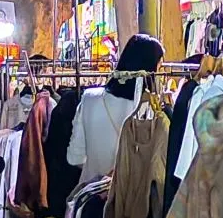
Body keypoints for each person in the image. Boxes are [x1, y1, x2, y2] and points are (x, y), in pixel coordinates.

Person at [66, 33, 165, 185]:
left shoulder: (89, 98)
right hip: (131, 196)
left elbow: (74, 158)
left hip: (91, 192)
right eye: (159, 69)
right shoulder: (150, 111)